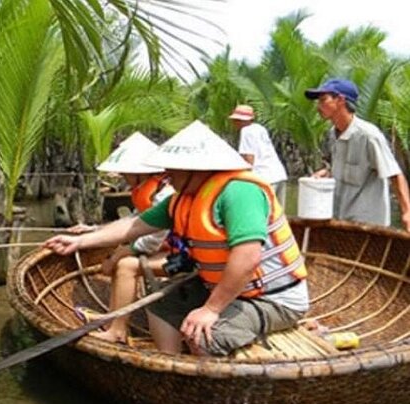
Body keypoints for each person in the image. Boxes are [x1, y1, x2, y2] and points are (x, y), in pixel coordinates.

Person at [45, 121, 309, 356]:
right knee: (161, 304)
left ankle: (209, 383)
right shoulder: (182, 198)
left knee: (205, 335)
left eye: (174, 168)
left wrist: (211, 310)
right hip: (226, 289)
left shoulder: (239, 193)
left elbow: (247, 257)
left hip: (272, 298)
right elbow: (134, 225)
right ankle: (172, 365)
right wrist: (81, 241)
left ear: (199, 168)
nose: (167, 173)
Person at [72, 132, 174, 343]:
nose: (123, 176)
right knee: (121, 258)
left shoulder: (165, 193)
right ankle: (112, 319)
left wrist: (120, 253)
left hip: (180, 253)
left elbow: (154, 237)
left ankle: (117, 330)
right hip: (169, 248)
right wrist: (94, 230)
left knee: (125, 265)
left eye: (126, 172)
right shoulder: (151, 190)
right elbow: (135, 222)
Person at [304, 78, 410, 231]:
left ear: (340, 100)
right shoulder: (332, 135)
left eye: (323, 100)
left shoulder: (368, 136)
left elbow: (394, 174)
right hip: (340, 218)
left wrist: (407, 212)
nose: (318, 106)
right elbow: (339, 167)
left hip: (368, 225)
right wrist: (325, 173)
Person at [228, 105, 288, 207]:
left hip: (264, 177)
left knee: (264, 212)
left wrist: (243, 178)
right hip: (279, 174)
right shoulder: (260, 128)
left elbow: (249, 158)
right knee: (279, 214)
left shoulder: (246, 131)